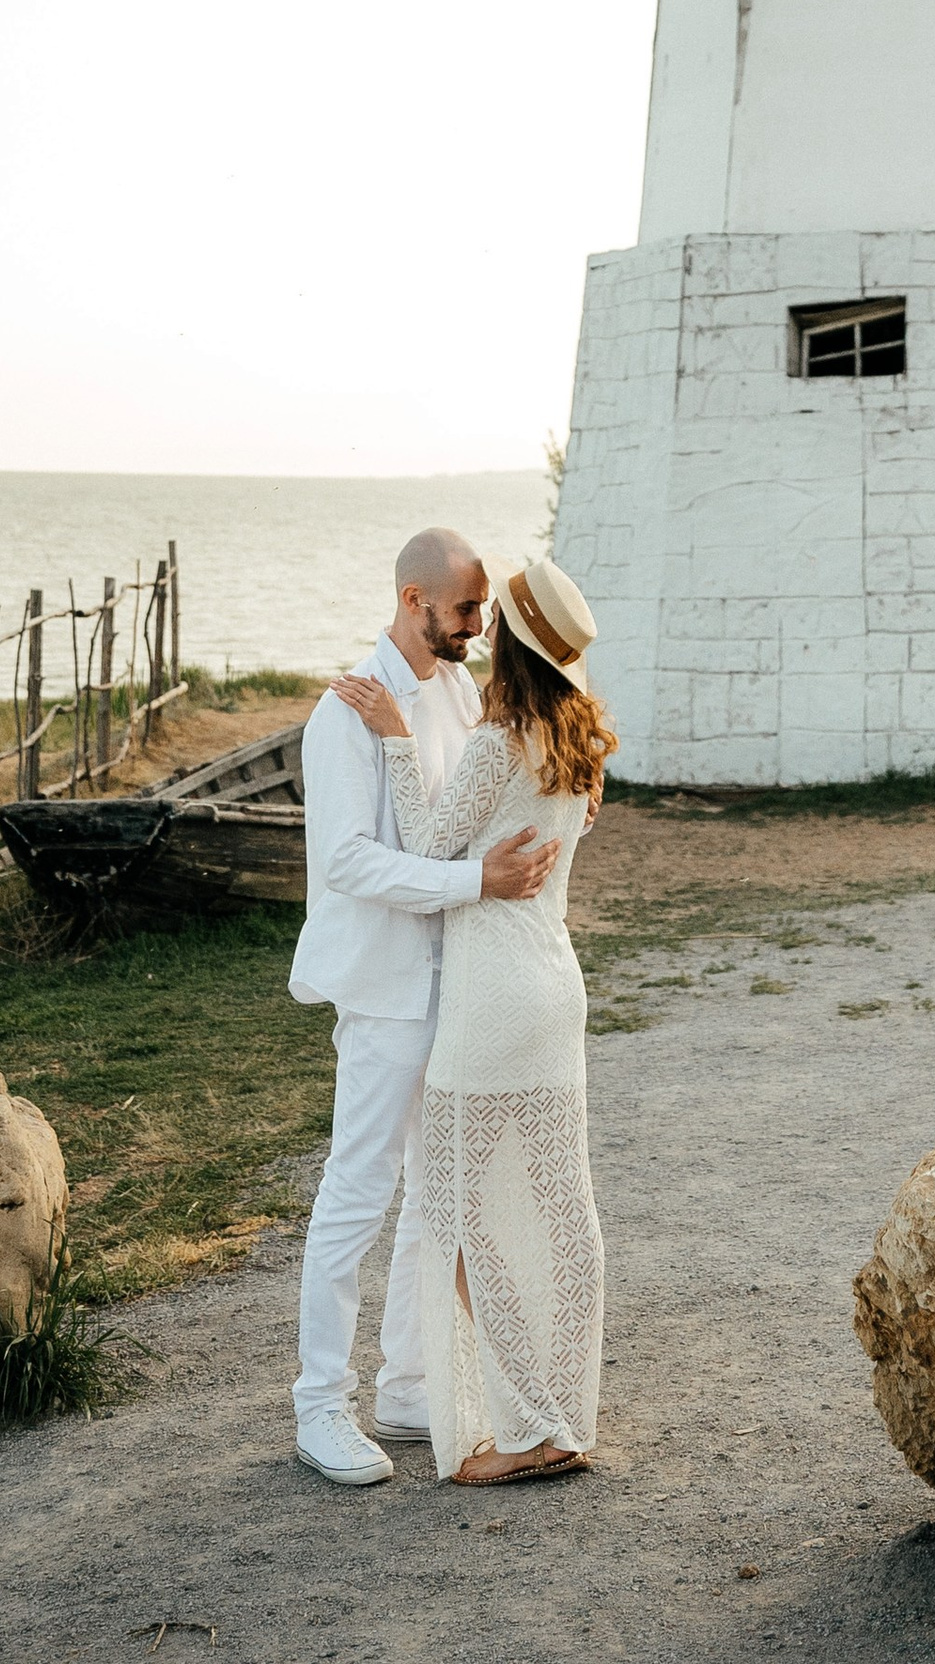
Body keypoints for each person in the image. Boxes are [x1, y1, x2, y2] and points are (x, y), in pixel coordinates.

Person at [328, 550, 612, 1487]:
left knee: (456, 1213)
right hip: (556, 991)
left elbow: (425, 844)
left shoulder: (498, 743)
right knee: (561, 1210)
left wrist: (399, 737)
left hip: (490, 1000)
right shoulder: (580, 744)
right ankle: (565, 1410)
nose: (478, 629)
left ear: (514, 643)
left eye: (495, 620)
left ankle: (530, 1423)